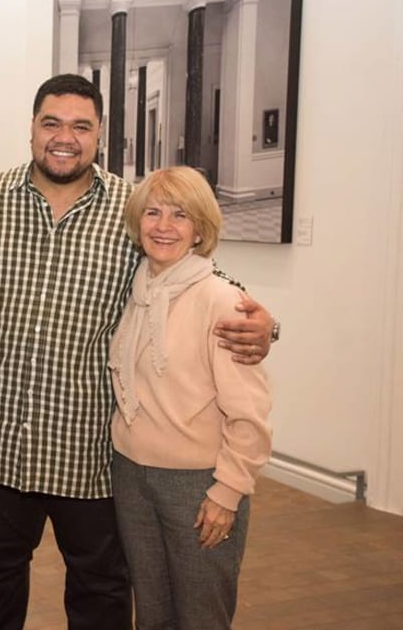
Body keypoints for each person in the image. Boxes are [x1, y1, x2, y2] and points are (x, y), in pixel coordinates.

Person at [0, 74, 276, 630]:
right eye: (51, 123)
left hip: (94, 452)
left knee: (101, 594)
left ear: (101, 134)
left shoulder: (136, 209)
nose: (64, 137)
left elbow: (207, 283)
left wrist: (268, 326)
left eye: (81, 126)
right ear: (31, 128)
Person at [108, 166, 271, 629]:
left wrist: (228, 491)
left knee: (202, 617)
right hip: (132, 475)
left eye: (179, 215)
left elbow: (250, 412)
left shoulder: (221, 300)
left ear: (200, 228)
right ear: (137, 223)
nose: (163, 226)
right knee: (153, 616)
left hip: (198, 485)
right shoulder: (137, 291)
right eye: (153, 213)